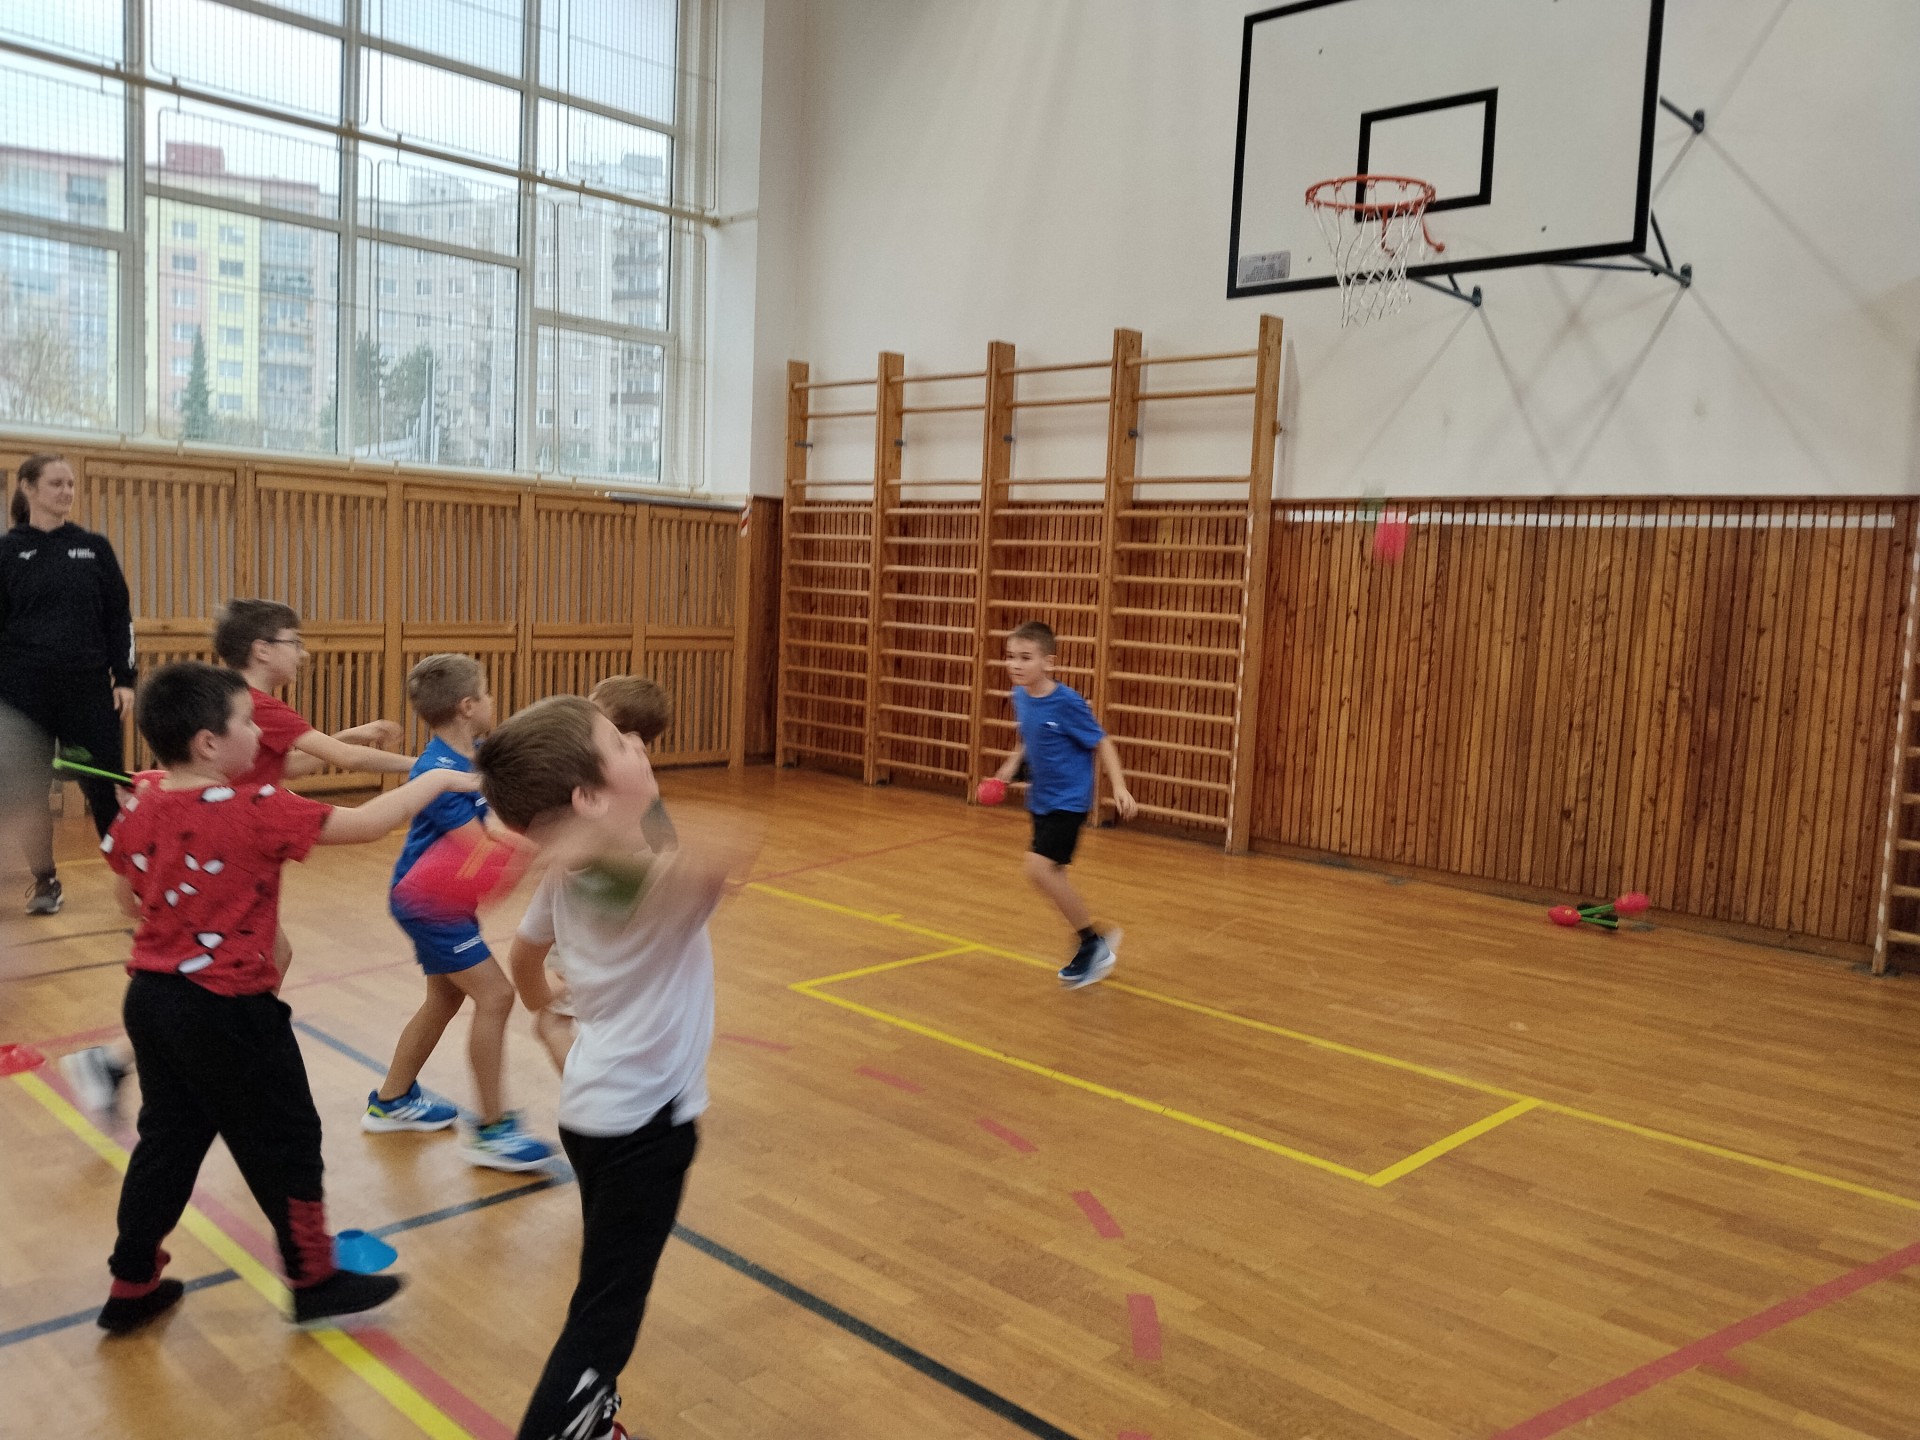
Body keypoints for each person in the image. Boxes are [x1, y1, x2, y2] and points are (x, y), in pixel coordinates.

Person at [93, 661, 482, 1333]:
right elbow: (367, 824)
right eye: (246, 723)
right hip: (231, 1011)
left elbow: (128, 900)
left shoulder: (138, 806)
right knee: (288, 1139)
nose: (260, 735)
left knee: (169, 1141)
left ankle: (131, 1282)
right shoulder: (256, 807)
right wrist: (438, 778)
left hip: (152, 1001)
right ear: (208, 743)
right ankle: (313, 1279)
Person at [480, 696, 738, 1440]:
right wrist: (594, 847)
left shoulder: (575, 876)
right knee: (604, 1318)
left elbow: (526, 954)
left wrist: (545, 1012)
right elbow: (728, 852)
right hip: (644, 1130)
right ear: (588, 797)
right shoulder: (641, 884)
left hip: (594, 1114)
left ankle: (594, 1424)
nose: (639, 748)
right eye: (620, 745)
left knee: (602, 1290)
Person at [59, 596, 417, 1117]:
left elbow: (286, 766)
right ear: (262, 650)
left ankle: (138, 1056)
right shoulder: (256, 705)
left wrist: (349, 735)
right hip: (224, 851)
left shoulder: (247, 711)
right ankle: (157, 1054)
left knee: (265, 958)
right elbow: (345, 762)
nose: (303, 653)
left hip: (232, 852)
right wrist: (427, 766)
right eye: (295, 643)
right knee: (213, 972)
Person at [363, 654, 555, 1171]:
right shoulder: (436, 773)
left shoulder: (479, 754)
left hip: (446, 903)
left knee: (444, 999)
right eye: (486, 693)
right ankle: (491, 1131)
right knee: (496, 995)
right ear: (468, 706)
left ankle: (391, 1101)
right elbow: (480, 844)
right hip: (430, 906)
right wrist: (552, 849)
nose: (493, 701)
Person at [0, 454, 137, 916]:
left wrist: (125, 679)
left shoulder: (93, 548)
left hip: (88, 693)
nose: (67, 492)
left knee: (105, 784)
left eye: (71, 484)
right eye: (56, 483)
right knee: (28, 792)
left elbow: (119, 617)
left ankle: (134, 880)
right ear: (28, 488)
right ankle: (45, 881)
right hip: (22, 697)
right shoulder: (7, 551)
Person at [530, 676, 681, 1073]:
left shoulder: (604, 782)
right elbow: (668, 847)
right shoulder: (638, 780)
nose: (585, 711)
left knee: (551, 1023)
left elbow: (662, 851)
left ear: (615, 725)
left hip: (591, 917)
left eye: (593, 706)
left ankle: (591, 1090)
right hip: (610, 916)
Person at [989, 620, 1138, 988]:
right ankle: (1093, 941)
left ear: (1048, 662)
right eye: (1011, 656)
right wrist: (1009, 768)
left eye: (1026, 657)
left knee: (1038, 869)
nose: (1016, 664)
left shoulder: (1067, 702)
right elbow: (1027, 738)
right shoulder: (1021, 696)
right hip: (1041, 800)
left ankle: (1092, 943)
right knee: (1052, 874)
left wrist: (1119, 787)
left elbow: (1101, 741)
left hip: (1069, 802)